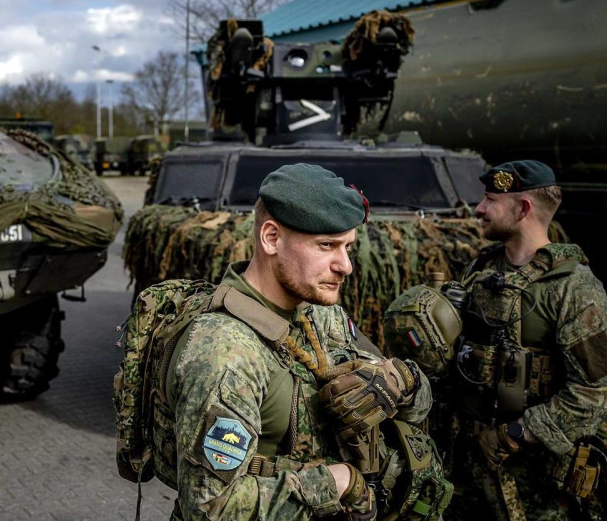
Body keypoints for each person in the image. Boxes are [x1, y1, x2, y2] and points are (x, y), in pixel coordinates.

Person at [169, 163, 433, 520]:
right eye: (327, 246)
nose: (345, 266)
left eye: (348, 247)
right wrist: (338, 483)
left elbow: (413, 400)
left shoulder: (321, 314)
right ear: (271, 238)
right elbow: (209, 508)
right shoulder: (225, 350)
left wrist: (404, 380)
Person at [446, 160, 607, 519]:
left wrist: (517, 433)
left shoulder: (574, 288)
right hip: (471, 468)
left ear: (523, 209)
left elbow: (597, 391)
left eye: (490, 200)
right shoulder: (480, 271)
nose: (478, 209)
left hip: (539, 479)